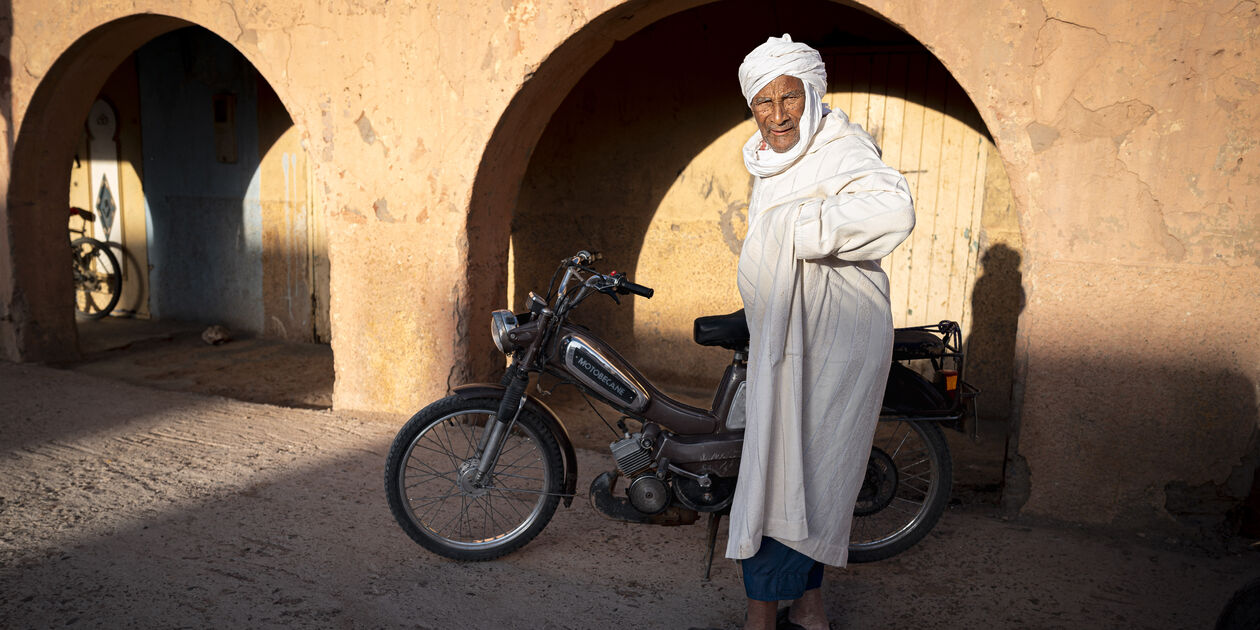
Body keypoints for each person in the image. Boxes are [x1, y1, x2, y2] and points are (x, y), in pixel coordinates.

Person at [726, 35, 915, 630]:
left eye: (789, 97)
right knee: (802, 467)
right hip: (786, 333)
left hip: (837, 337)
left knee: (796, 465)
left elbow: (894, 211)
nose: (777, 114)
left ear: (812, 93)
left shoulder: (841, 146)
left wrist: (797, 228)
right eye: (763, 100)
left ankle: (762, 615)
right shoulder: (765, 157)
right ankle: (809, 604)